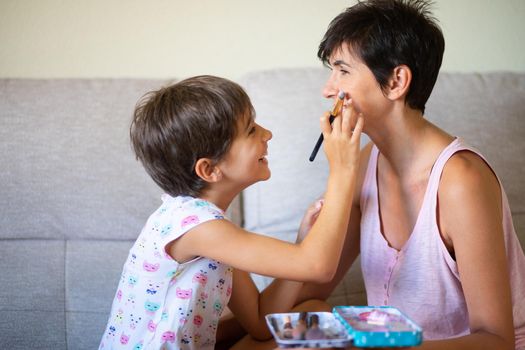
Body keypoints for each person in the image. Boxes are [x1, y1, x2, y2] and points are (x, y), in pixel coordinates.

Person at [290, 0, 525, 349]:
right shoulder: (364, 164)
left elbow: (496, 340)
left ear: (397, 81)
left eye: (342, 71)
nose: (328, 89)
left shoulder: (461, 181)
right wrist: (303, 243)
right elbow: (309, 293)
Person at [98, 75, 364, 349]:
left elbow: (261, 322)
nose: (267, 134)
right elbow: (318, 267)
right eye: (250, 130)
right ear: (210, 169)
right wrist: (344, 169)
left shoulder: (210, 229)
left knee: (316, 314)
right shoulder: (199, 229)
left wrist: (301, 243)